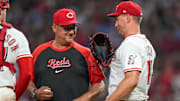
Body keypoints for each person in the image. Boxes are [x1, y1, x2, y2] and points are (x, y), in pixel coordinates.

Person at [27, 8, 105, 101]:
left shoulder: (85, 53)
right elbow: (27, 80)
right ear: (54, 27)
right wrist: (35, 92)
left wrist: (85, 98)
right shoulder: (39, 51)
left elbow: (99, 84)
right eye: (66, 28)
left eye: (73, 27)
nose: (71, 32)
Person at [105, 1, 156, 101]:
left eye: (117, 19)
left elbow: (132, 80)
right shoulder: (146, 44)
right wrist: (113, 64)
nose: (116, 24)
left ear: (128, 18)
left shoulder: (130, 44)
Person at [0, 0, 32, 101]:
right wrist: (16, 96)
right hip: (4, 91)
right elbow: (27, 74)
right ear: (3, 10)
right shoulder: (17, 35)